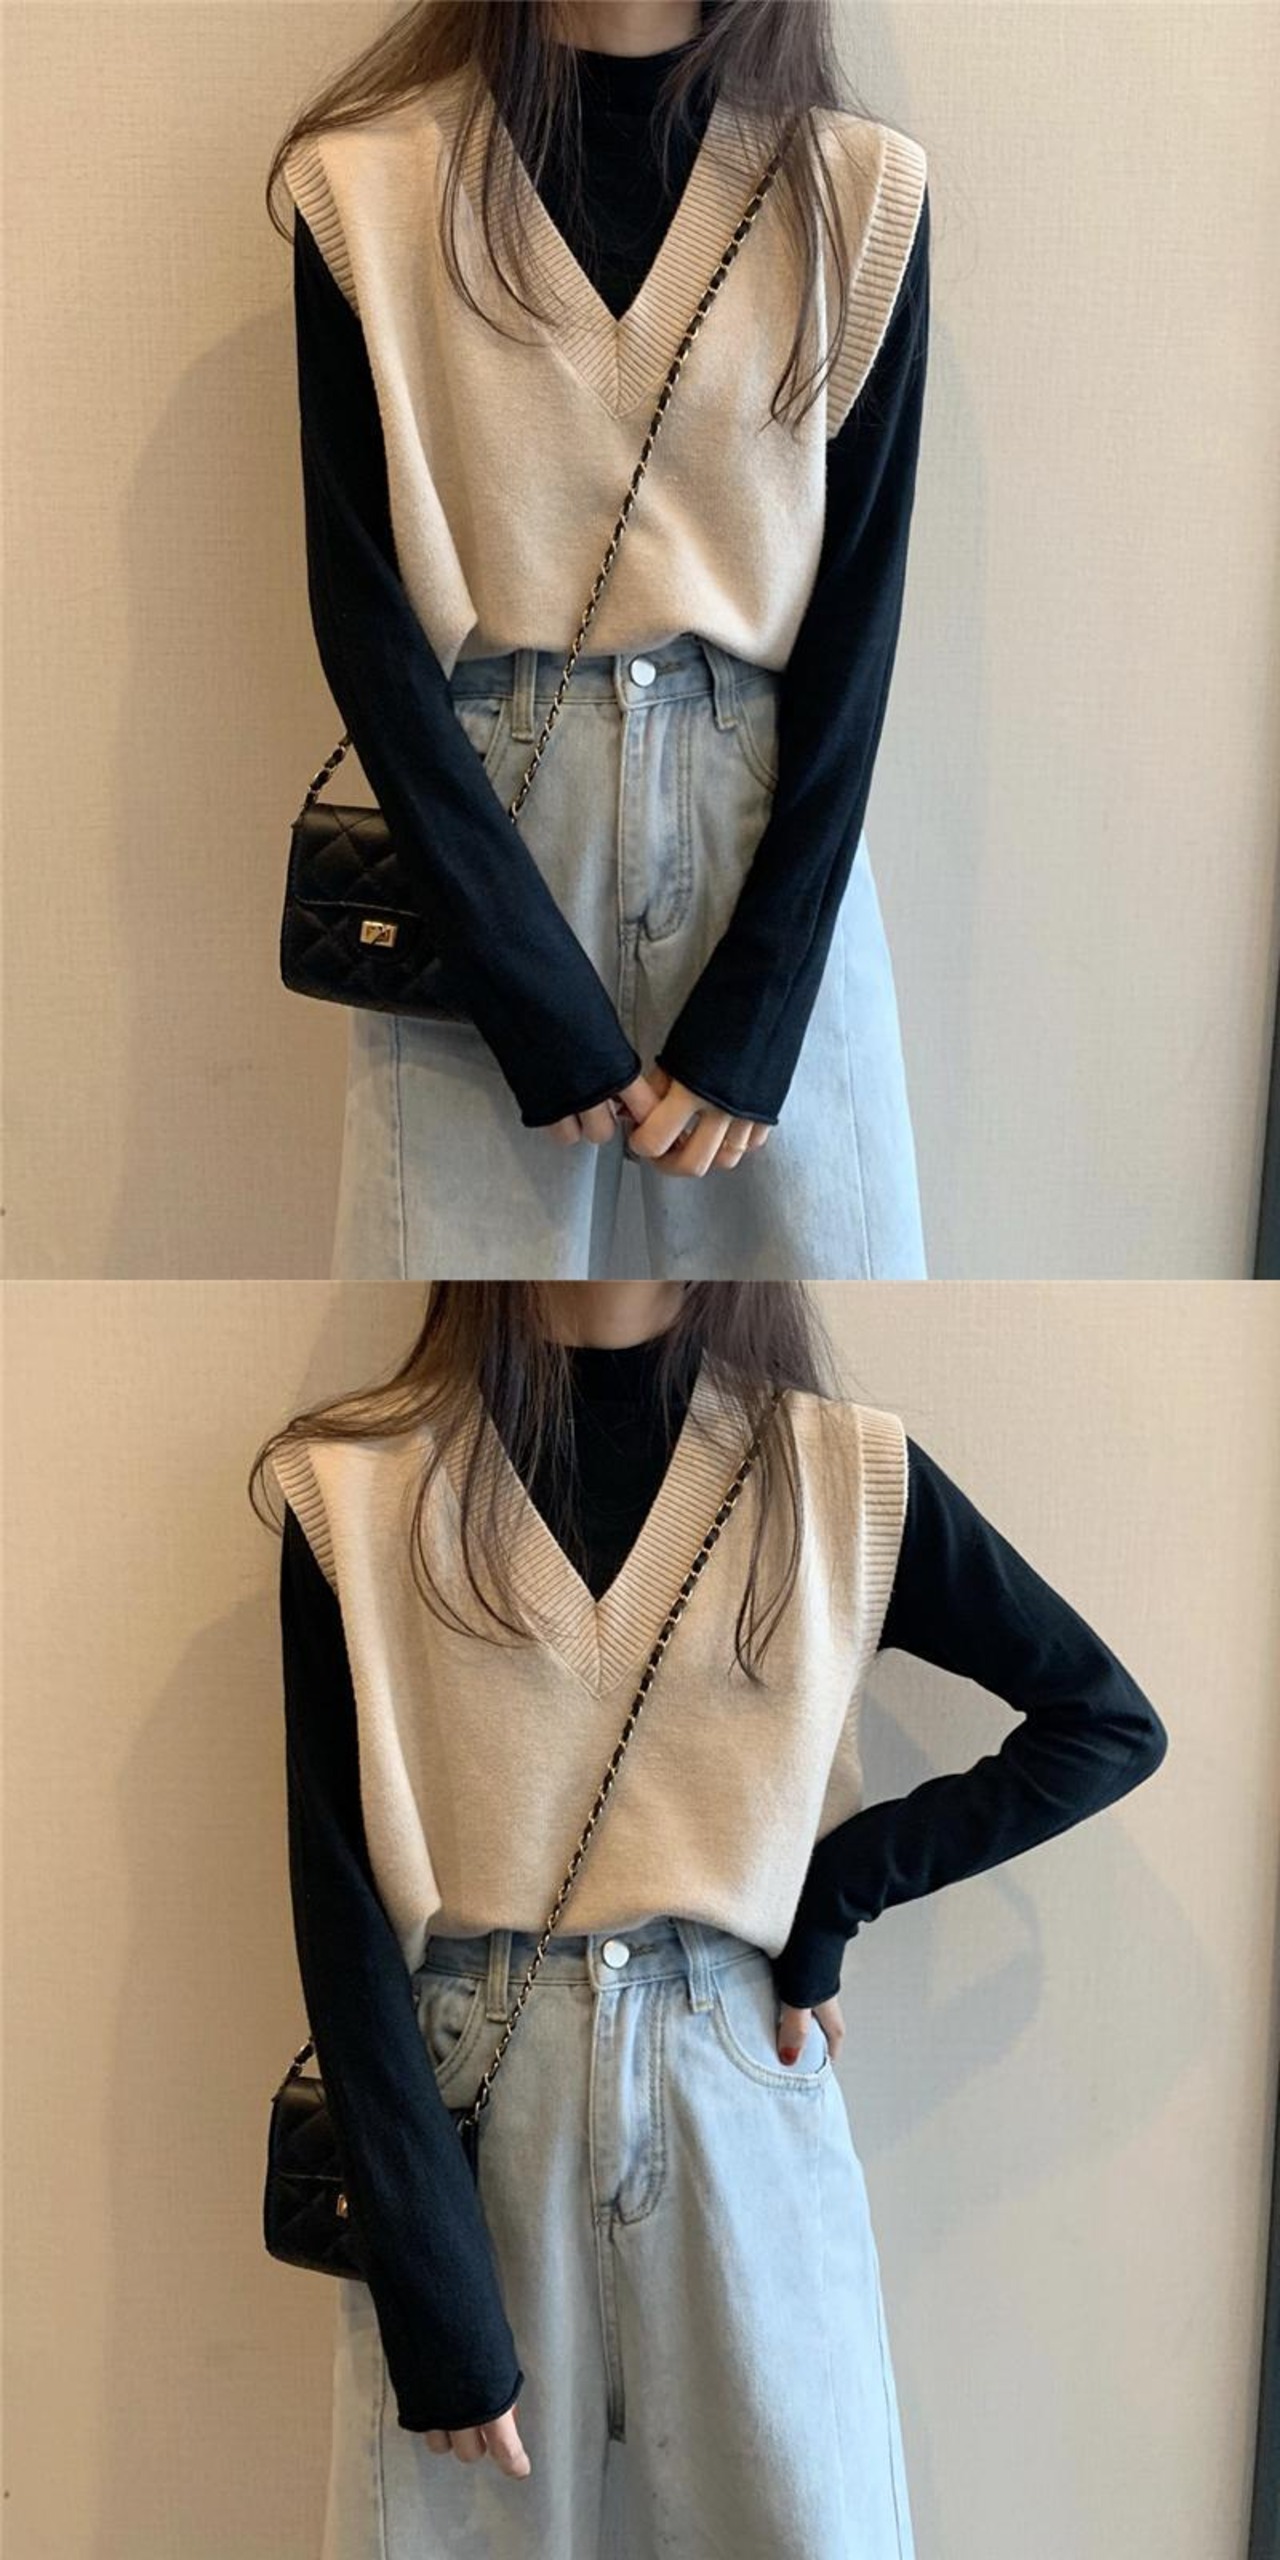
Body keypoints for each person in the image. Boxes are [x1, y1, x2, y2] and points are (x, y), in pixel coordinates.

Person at [252, 1278, 1168, 2558]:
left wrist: (830, 1896)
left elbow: (1101, 1724)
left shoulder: (834, 1472)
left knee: (809, 2528)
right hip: (466, 2106)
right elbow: (338, 1905)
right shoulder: (356, 1484)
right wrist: (429, 2282)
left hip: (735, 2072)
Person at [269, 0, 933, 1279]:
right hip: (482, 835)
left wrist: (761, 1002)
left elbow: (857, 628)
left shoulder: (855, 193)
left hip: (765, 832)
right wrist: (513, 974)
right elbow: (364, 622)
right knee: (460, 1304)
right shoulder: (365, 186)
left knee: (841, 1297)